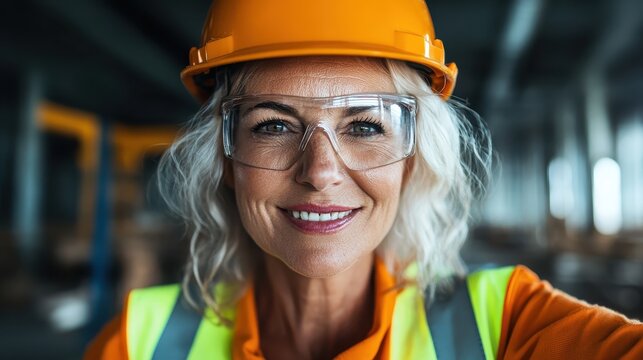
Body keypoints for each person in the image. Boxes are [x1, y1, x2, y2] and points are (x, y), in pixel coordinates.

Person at [86, 0, 643, 359]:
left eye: (366, 125)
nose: (321, 172)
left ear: (412, 158)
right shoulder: (143, 342)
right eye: (275, 125)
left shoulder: (506, 326)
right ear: (227, 160)